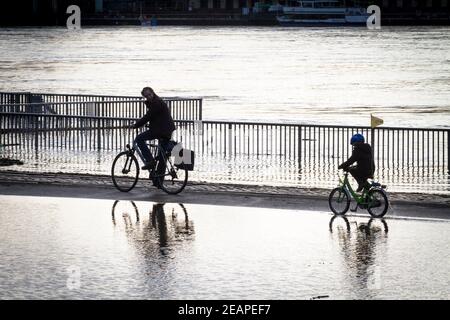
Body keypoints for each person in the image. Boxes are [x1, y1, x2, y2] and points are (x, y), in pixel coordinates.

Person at [132, 87, 175, 170]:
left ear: (153, 93)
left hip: (161, 131)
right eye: (146, 96)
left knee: (139, 138)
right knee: (162, 156)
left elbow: (148, 116)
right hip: (166, 130)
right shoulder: (156, 102)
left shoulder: (156, 103)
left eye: (149, 94)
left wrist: (136, 125)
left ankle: (150, 160)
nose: (148, 97)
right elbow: (156, 117)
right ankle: (158, 181)